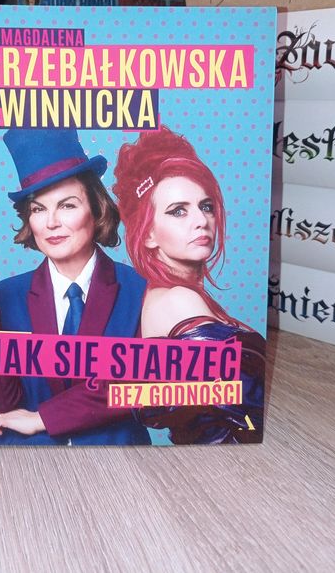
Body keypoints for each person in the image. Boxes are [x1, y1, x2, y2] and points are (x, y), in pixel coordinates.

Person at [0, 127, 150, 445]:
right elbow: (1, 402)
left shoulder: (141, 290)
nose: (51, 223)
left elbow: (134, 385)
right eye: (38, 209)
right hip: (25, 461)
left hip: (115, 458)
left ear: (96, 209)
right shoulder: (3, 297)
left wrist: (42, 418)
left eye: (67, 205)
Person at [112, 125, 266, 444]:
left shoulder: (162, 297)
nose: (201, 220)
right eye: (178, 211)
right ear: (148, 234)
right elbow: (240, 411)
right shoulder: (177, 300)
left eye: (206, 206)